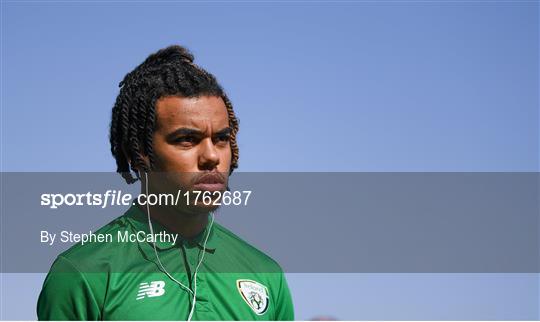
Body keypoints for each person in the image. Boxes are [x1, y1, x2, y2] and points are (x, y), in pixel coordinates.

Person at [37, 45, 294, 321]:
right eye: (187, 139)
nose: (211, 156)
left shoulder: (266, 275)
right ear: (140, 154)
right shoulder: (82, 274)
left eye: (221, 139)